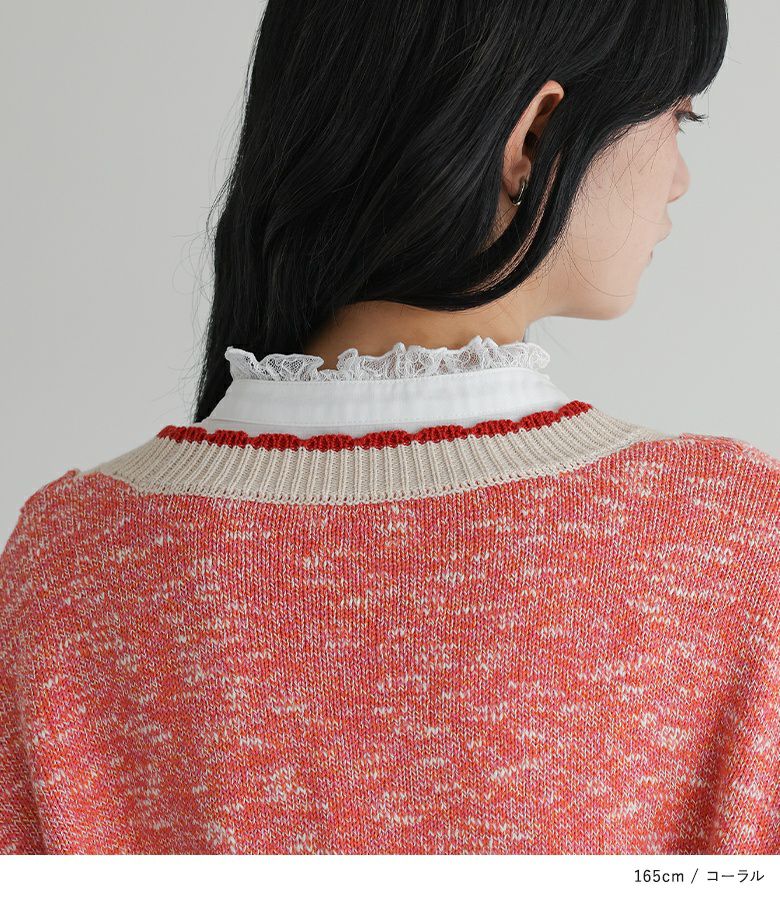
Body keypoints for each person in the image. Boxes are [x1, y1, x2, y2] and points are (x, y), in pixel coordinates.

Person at [2, 0, 777, 855]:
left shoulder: (69, 557)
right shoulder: (726, 537)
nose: (680, 178)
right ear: (537, 135)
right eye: (679, 117)